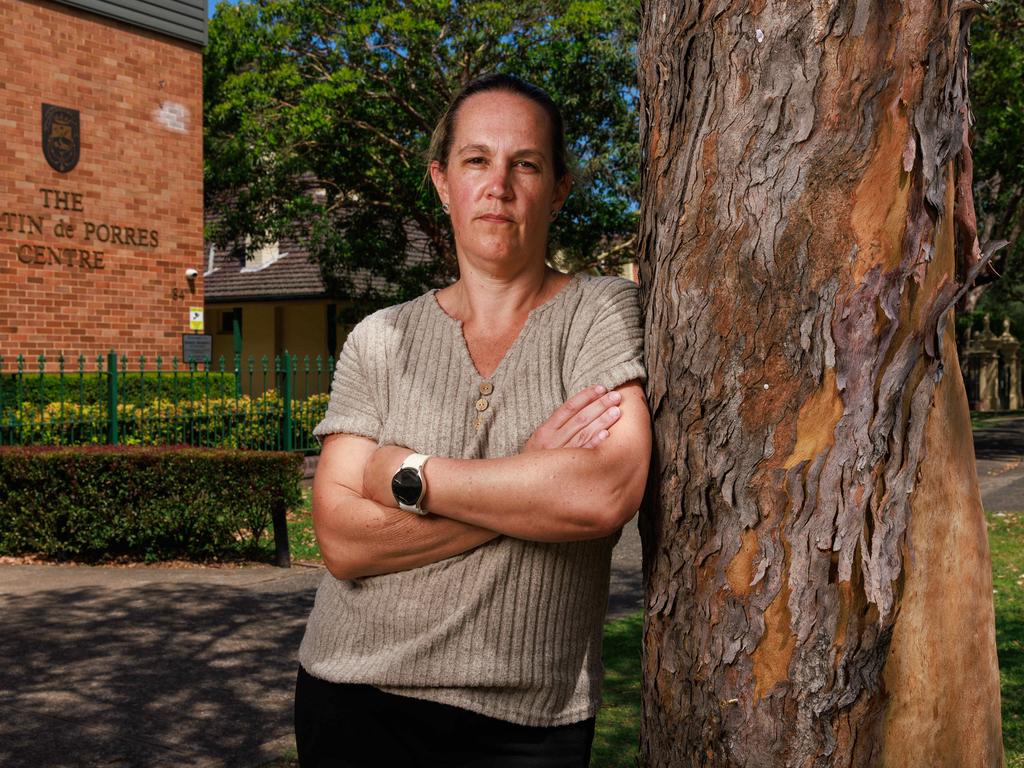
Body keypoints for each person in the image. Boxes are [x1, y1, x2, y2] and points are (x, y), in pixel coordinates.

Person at [295, 73, 651, 767]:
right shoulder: (379, 338)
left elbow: (604, 492)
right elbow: (340, 539)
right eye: (477, 160)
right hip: (353, 696)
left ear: (559, 188)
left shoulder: (601, 312)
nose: (500, 184)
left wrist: (409, 475)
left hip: (525, 725)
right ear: (442, 180)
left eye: (526, 163)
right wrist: (528, 474)